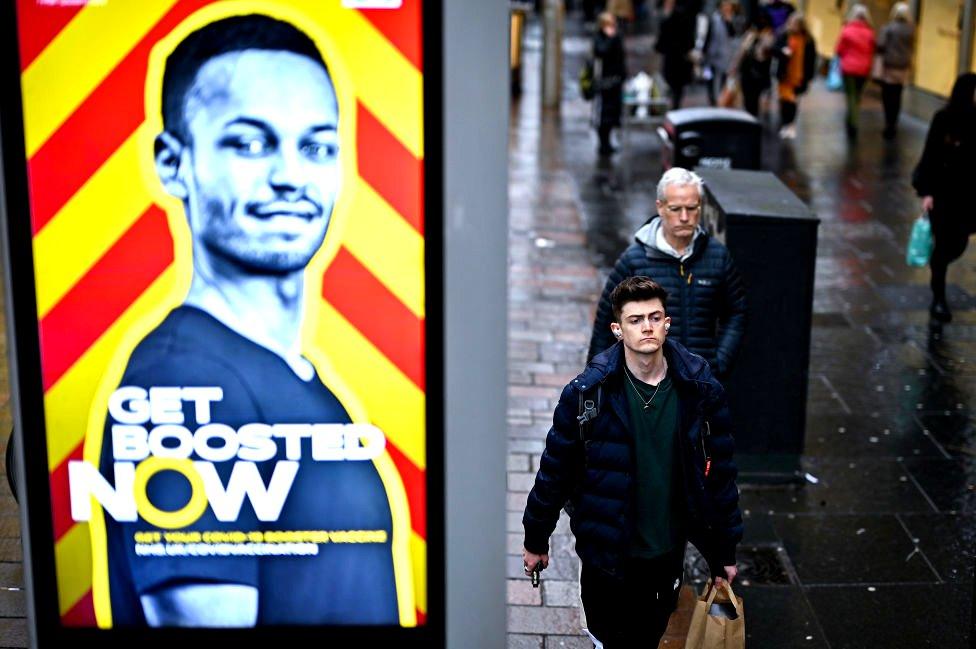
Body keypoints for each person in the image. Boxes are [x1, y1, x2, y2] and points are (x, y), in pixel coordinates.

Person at [98, 14, 403, 627]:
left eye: (316, 145)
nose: (291, 176)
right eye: (249, 141)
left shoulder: (282, 370)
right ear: (172, 163)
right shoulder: (181, 382)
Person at [522, 276, 743, 648]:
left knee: (647, 637)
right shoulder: (586, 394)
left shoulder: (699, 389)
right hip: (606, 550)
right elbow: (555, 471)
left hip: (664, 551)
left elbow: (720, 476)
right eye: (636, 319)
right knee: (608, 636)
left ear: (667, 323)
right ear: (617, 329)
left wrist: (724, 552)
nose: (647, 327)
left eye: (655, 318)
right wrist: (535, 537)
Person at [587, 168, 746, 381]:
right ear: (660, 208)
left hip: (700, 385)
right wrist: (597, 378)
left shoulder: (717, 257)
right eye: (675, 209)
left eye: (691, 208)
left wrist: (719, 362)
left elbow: (736, 312)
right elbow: (605, 321)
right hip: (646, 386)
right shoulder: (634, 260)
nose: (684, 217)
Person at [912, 73, 976, 323]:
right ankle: (938, 297)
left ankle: (939, 262)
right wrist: (926, 191)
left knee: (957, 244)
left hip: (970, 195)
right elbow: (930, 155)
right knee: (943, 247)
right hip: (944, 194)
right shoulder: (943, 119)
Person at [834, 4, 876, 139]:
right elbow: (872, 51)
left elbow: (839, 50)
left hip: (849, 68)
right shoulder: (870, 33)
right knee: (856, 96)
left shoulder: (847, 30)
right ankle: (850, 119)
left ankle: (853, 123)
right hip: (864, 69)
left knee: (851, 96)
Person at [773, 12, 816, 139]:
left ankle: (790, 124)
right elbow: (775, 49)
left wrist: (809, 77)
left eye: (797, 24)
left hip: (799, 76)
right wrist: (783, 51)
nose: (793, 27)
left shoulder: (807, 40)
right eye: (792, 24)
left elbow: (811, 59)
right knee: (784, 100)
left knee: (792, 101)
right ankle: (785, 124)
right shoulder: (783, 35)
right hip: (784, 74)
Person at [875, 2, 914, 139]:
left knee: (887, 94)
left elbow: (881, 44)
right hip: (903, 67)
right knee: (897, 95)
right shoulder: (911, 30)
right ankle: (894, 122)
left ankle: (888, 123)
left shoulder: (888, 28)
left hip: (889, 65)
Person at [592, 12, 628, 156]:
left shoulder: (617, 37)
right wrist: (611, 38)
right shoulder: (601, 38)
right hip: (606, 81)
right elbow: (601, 51)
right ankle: (603, 144)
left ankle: (608, 143)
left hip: (616, 80)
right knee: (605, 115)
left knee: (613, 113)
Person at [656, 0, 699, 109]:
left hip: (672, 59)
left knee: (673, 85)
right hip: (681, 59)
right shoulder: (685, 19)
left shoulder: (667, 21)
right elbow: (690, 41)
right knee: (678, 89)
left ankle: (673, 106)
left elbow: (660, 44)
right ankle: (675, 105)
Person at [732, 13, 776, 117]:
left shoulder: (769, 37)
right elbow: (742, 52)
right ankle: (750, 116)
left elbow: (762, 56)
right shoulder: (750, 35)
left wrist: (761, 40)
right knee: (747, 98)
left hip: (759, 74)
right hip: (747, 72)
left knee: (754, 99)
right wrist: (734, 66)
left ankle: (753, 118)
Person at [704, 0, 742, 106]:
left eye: (728, 5)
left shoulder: (736, 20)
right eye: (724, 5)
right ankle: (712, 101)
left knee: (724, 82)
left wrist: (729, 21)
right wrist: (703, 53)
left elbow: (735, 37)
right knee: (709, 78)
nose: (726, 8)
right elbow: (708, 36)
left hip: (726, 57)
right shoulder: (714, 18)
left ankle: (721, 102)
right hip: (711, 57)